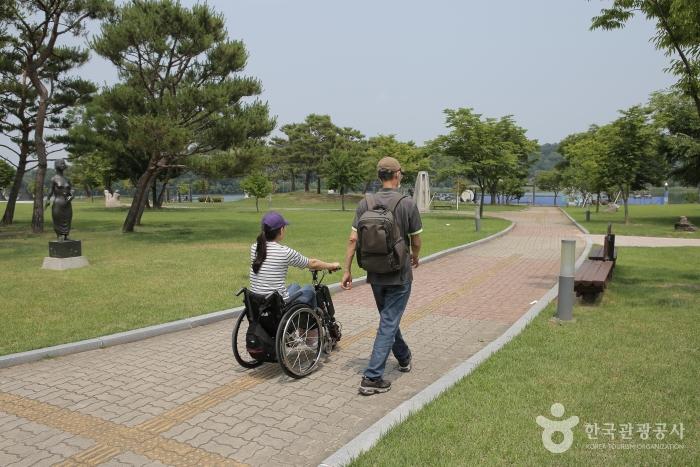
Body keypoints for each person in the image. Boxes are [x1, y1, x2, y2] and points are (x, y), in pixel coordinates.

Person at [341, 156, 423, 396]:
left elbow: (353, 239)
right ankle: (372, 377)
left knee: (389, 319)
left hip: (374, 272)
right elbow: (416, 240)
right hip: (399, 273)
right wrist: (415, 255)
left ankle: (404, 357)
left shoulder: (364, 203)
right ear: (397, 175)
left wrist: (347, 270)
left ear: (379, 176)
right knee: (388, 321)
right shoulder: (407, 203)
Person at [250, 211, 339, 308]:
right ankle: (312, 321)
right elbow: (313, 264)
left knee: (295, 286)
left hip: (258, 304)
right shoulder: (285, 252)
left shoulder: (255, 247)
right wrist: (332, 265)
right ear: (281, 229)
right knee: (309, 289)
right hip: (277, 307)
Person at [45, 158, 73, 241]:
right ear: (56, 165)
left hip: (67, 203)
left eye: (64, 163)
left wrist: (70, 197)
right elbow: (50, 190)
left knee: (68, 219)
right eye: (61, 163)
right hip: (58, 203)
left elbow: (71, 190)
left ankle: (65, 235)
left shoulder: (67, 179)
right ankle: (59, 235)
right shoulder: (54, 179)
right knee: (58, 219)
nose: (63, 165)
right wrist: (48, 199)